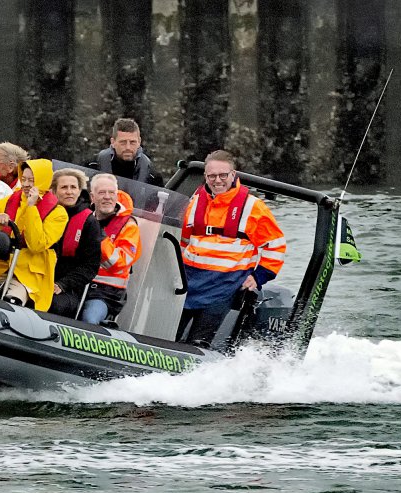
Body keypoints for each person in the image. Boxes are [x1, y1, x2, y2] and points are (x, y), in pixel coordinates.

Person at [176, 150, 286, 347]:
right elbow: (182, 241)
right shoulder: (193, 203)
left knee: (198, 343)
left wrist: (258, 277)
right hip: (188, 285)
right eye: (212, 176)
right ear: (205, 177)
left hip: (224, 287)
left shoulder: (254, 207)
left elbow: (276, 246)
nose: (217, 180)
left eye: (223, 175)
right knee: (167, 335)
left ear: (233, 174)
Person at [0, 159, 68, 310]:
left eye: (32, 180)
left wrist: (31, 207)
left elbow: (36, 244)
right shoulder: (8, 200)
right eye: (24, 179)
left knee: (14, 300)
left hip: (27, 275)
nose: (27, 184)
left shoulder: (58, 213)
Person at [79, 173, 141, 325]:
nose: (107, 197)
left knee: (89, 320)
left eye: (111, 193)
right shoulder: (83, 219)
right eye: (102, 193)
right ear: (92, 198)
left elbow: (117, 263)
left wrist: (98, 234)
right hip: (78, 284)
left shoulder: (129, 226)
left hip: (107, 293)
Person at [47, 169, 103, 318]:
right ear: (54, 191)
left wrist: (62, 285)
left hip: (67, 288)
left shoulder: (89, 222)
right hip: (39, 276)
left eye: (73, 187)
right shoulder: (44, 213)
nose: (69, 192)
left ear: (79, 191)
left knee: (54, 305)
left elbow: (90, 266)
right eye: (64, 187)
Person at [93, 118, 162, 186]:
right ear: (113, 142)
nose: (128, 147)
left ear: (139, 142)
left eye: (132, 142)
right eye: (123, 142)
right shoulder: (94, 165)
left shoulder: (150, 173)